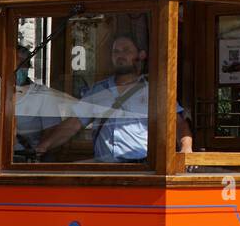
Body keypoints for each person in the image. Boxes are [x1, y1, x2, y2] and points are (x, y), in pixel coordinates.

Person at [36, 35, 193, 162]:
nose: (120, 56)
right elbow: (73, 125)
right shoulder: (97, 91)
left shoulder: (154, 92)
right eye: (115, 52)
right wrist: (44, 146)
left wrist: (186, 149)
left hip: (142, 169)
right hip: (106, 170)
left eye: (126, 50)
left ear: (141, 55)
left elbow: (178, 124)